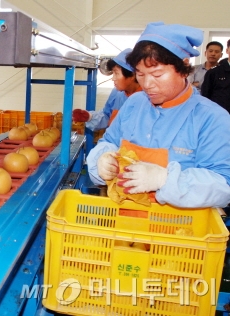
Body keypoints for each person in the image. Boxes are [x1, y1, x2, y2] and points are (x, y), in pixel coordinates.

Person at [87, 22, 230, 208]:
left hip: (179, 228)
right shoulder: (134, 103)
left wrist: (165, 179)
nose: (147, 84)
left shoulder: (212, 118)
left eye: (157, 74)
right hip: (124, 222)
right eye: (140, 74)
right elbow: (110, 141)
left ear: (184, 67)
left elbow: (223, 187)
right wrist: (102, 159)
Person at [72, 48, 141, 131]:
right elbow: (107, 115)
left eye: (116, 73)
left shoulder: (148, 98)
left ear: (132, 75)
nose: (113, 78)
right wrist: (89, 117)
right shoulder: (117, 93)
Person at [201, 39, 230, 113]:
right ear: (227, 50)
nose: (213, 53)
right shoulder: (214, 72)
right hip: (219, 116)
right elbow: (205, 97)